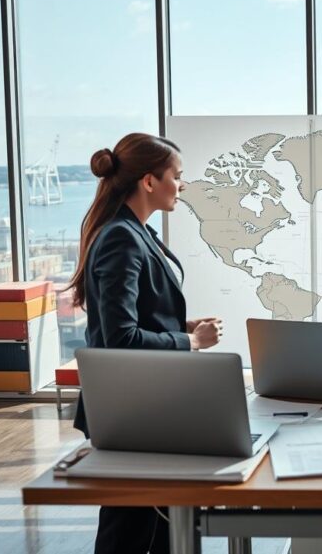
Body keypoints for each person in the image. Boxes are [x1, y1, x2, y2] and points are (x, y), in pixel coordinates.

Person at [67, 132, 222, 554]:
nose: (182, 184)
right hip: (130, 407)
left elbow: (131, 317)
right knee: (130, 530)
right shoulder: (122, 237)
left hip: (144, 404)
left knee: (160, 523)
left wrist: (180, 323)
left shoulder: (135, 231)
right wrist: (190, 341)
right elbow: (121, 337)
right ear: (149, 181)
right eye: (177, 175)